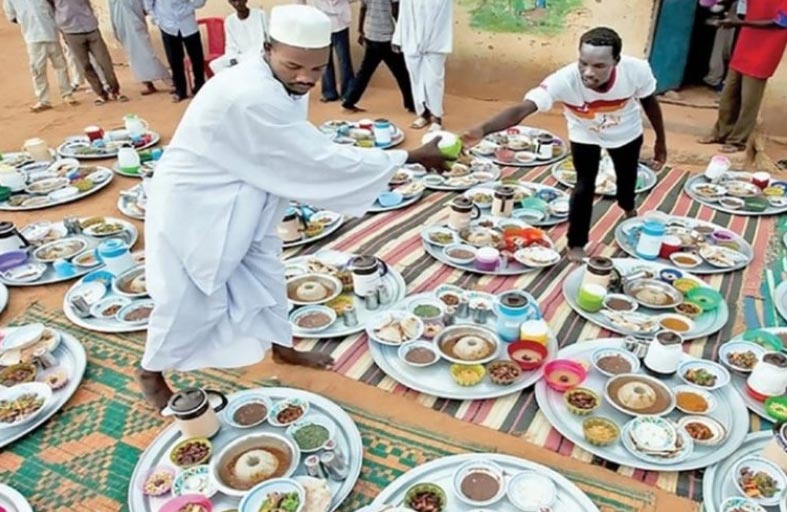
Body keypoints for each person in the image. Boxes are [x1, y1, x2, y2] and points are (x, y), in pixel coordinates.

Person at [135, 4, 447, 411]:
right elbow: (316, 160)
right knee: (191, 293)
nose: (305, 78)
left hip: (250, 195)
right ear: (267, 49)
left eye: (317, 70)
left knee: (266, 274)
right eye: (294, 65)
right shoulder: (250, 94)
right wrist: (410, 158)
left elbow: (295, 146)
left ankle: (283, 347)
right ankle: (151, 371)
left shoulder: (280, 82)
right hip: (200, 204)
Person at [462, 27, 667, 263]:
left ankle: (627, 206)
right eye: (583, 63)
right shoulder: (564, 79)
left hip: (626, 132)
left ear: (616, 61)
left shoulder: (636, 70)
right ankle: (577, 242)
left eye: (599, 66)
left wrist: (661, 141)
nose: (588, 72)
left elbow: (650, 103)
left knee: (627, 178)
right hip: (584, 133)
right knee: (583, 184)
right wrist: (483, 129)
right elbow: (523, 108)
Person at [699, 0, 787, 153]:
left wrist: (740, 23)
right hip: (745, 44)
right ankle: (721, 133)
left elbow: (780, 23)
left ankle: (737, 141)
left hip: (766, 50)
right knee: (728, 95)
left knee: (749, 101)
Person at [3, 0, 77, 112]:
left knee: (60, 66)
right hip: (32, 36)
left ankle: (67, 94)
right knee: (38, 69)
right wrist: (27, 19)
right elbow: (12, 16)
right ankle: (44, 100)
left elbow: (54, 6)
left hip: (50, 32)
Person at [48, 0, 128, 105]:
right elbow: (52, 8)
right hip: (70, 31)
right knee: (85, 65)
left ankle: (115, 90)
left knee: (105, 62)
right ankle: (100, 94)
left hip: (90, 26)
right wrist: (62, 26)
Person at [341, 0, 414, 113]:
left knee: (364, 73)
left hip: (370, 34)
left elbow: (363, 8)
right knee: (402, 73)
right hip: (386, 37)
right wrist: (402, 34)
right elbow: (396, 11)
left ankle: (348, 102)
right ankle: (411, 104)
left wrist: (360, 30)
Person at [392, 0, 452, 131]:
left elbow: (442, 19)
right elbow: (403, 15)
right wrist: (398, 38)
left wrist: (427, 42)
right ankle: (423, 114)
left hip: (434, 44)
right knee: (416, 81)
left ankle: (436, 117)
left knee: (433, 82)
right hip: (411, 44)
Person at [144, 0, 207, 102]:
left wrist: (190, 4)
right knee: (174, 60)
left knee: (197, 58)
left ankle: (200, 87)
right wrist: (157, 20)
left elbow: (200, 3)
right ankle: (180, 91)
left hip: (188, 23)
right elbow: (148, 5)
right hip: (167, 26)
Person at [297, 0, 355, 103]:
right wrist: (302, 16)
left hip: (340, 22)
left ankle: (348, 93)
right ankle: (329, 92)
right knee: (325, 61)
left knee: (344, 60)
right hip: (320, 23)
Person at [108, 0, 170, 95]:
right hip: (122, 29)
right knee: (134, 59)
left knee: (148, 55)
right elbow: (112, 13)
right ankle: (148, 85)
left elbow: (145, 7)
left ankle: (170, 82)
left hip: (136, 25)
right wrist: (115, 30)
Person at [209, 0, 267, 74]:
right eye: (233, 1)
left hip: (259, 54)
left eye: (239, 0)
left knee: (249, 63)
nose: (237, 3)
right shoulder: (229, 21)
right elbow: (230, 45)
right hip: (240, 57)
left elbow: (268, 38)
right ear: (230, 2)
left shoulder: (260, 14)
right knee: (214, 65)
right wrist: (232, 58)